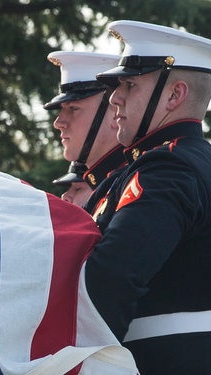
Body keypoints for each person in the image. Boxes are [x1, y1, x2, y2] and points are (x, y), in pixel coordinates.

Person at [85, 20, 211, 373]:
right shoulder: (173, 163)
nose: (115, 98)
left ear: (175, 96)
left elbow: (111, 279)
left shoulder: (169, 168)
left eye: (129, 85)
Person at [44, 51, 126, 210]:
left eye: (73, 108)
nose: (58, 123)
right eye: (62, 110)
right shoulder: (110, 186)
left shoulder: (135, 181)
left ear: (116, 113)